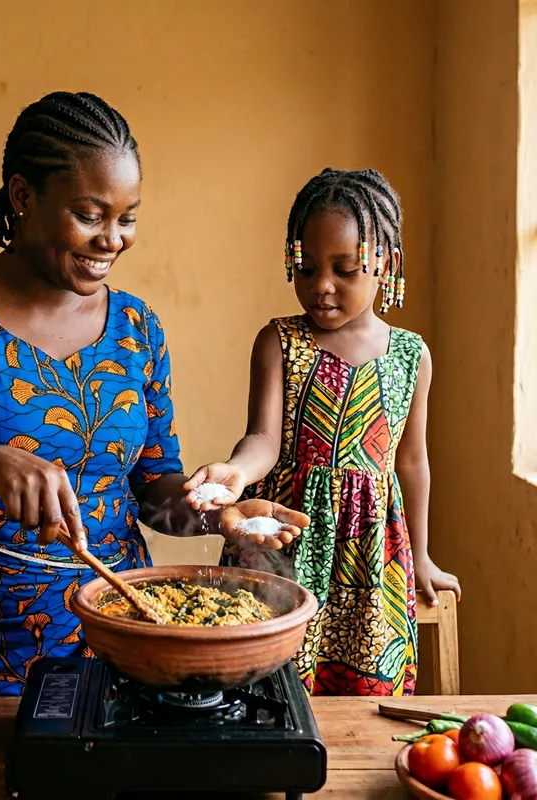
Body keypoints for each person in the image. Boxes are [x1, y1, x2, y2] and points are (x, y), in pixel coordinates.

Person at [0, 91, 309, 695]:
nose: (113, 239)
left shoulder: (137, 328)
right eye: (90, 215)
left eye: (127, 218)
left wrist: (216, 515)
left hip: (121, 637)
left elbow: (152, 490)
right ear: (23, 196)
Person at [183, 168, 461, 697]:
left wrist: (422, 555)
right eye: (306, 268)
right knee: (265, 686)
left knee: (364, 695)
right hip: (283, 542)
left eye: (344, 270)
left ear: (386, 265)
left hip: (371, 556)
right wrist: (236, 472)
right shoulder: (279, 342)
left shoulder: (411, 355)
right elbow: (263, 440)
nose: (321, 286)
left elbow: (410, 461)